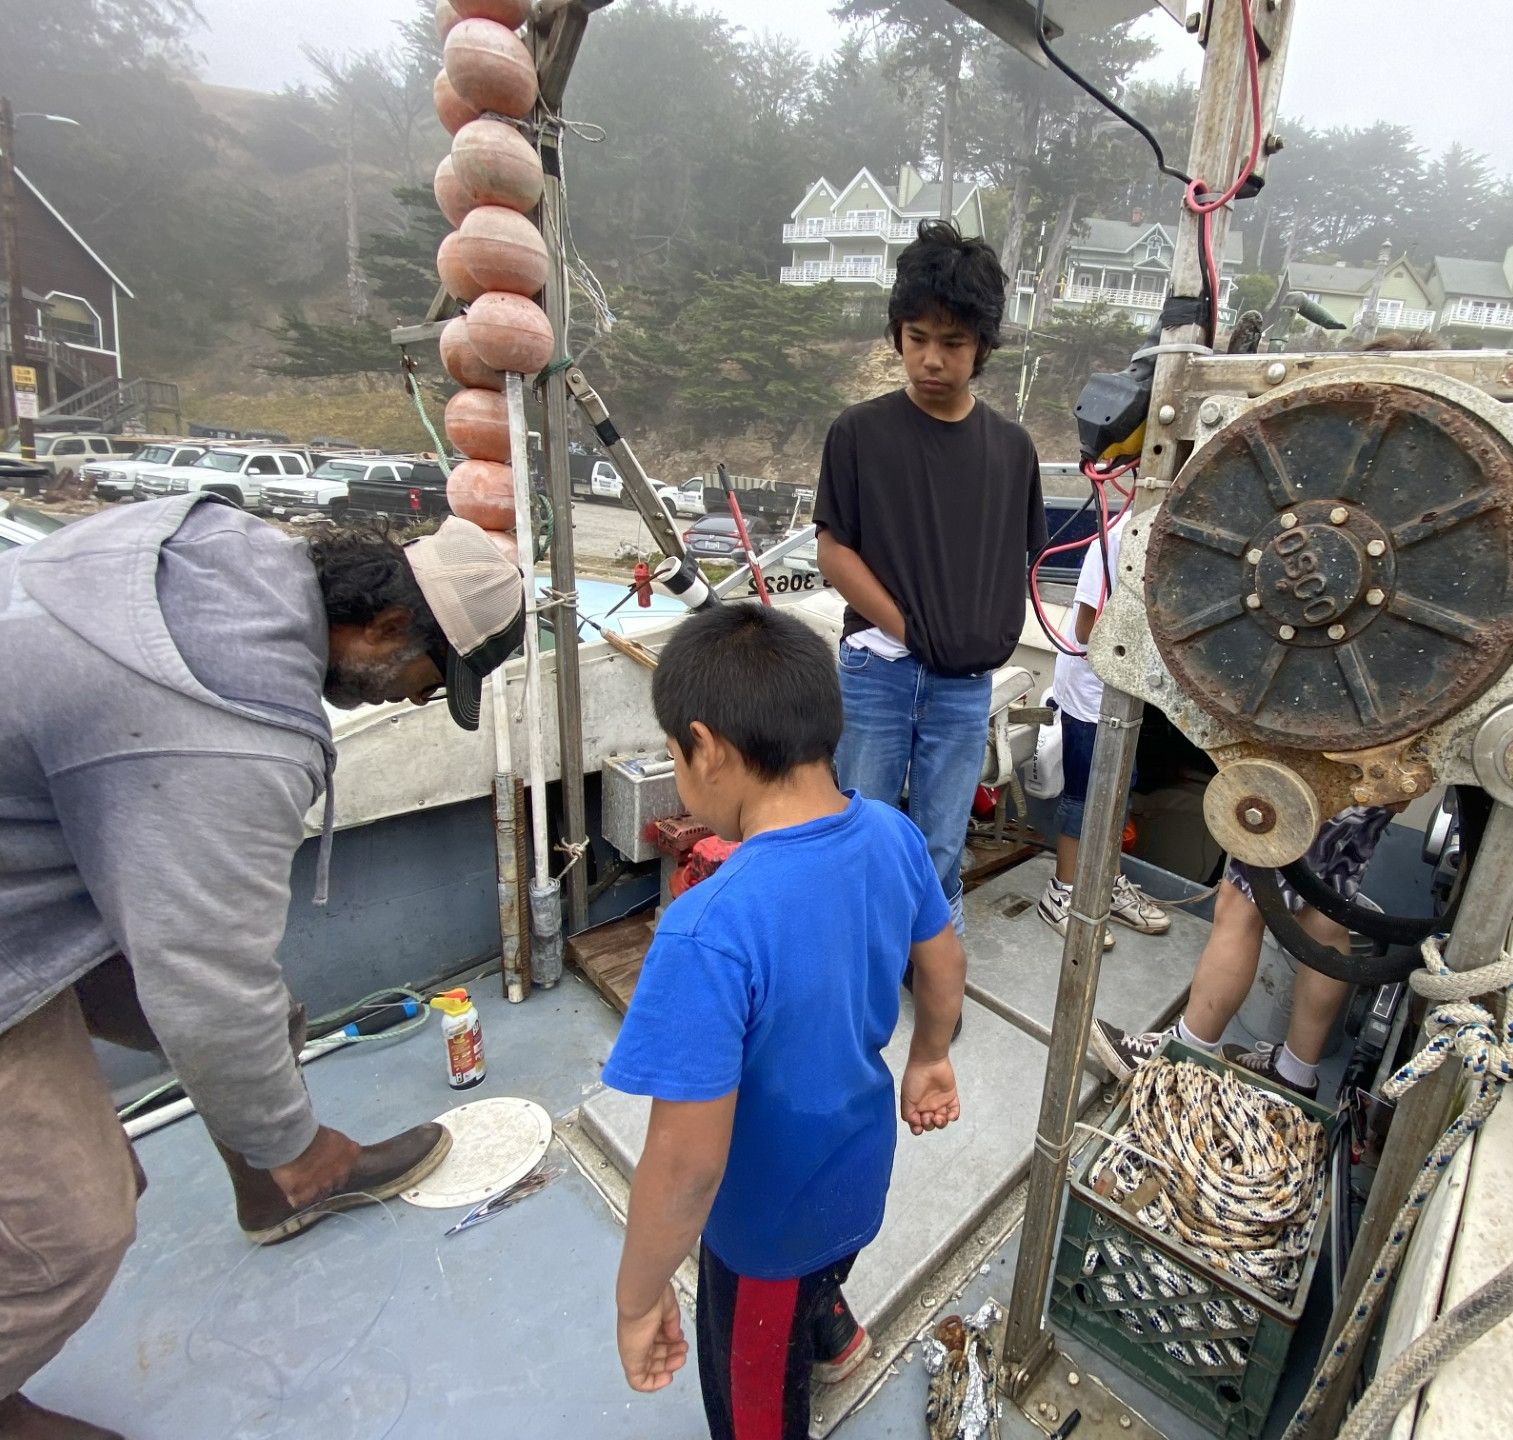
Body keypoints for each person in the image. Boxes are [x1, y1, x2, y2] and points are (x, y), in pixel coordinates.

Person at [0, 495, 526, 1440]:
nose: (410, 698)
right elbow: (203, 983)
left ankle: (267, 1194)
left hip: (36, 847)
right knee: (70, 1229)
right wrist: (294, 1138)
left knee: (262, 1024)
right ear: (386, 624)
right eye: (422, 677)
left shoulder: (223, 544)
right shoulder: (230, 726)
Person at [604, 604, 966, 1440]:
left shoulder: (709, 929)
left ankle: (812, 1333)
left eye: (674, 757)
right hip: (859, 1171)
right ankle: (832, 1333)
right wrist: (931, 1057)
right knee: (824, 1268)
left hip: (764, 1232)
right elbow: (943, 961)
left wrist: (637, 1297)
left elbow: (688, 1166)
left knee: (756, 1410)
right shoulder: (891, 831)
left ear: (710, 749)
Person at [815, 220, 1046, 935]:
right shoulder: (859, 433)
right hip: (879, 671)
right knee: (862, 833)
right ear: (897, 334)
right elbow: (834, 553)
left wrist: (977, 641)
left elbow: (1017, 559)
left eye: (951, 342)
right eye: (917, 338)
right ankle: (855, 967)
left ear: (981, 347)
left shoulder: (1011, 449)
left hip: (964, 686)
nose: (931, 359)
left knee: (942, 842)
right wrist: (911, 629)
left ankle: (934, 968)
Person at [1089, 806, 1398, 1099]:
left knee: (1242, 901)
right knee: (1325, 910)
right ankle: (1296, 1074)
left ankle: (1177, 1057)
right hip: (1375, 773)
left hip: (1320, 771)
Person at [1036, 507, 1169, 943]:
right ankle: (1062, 893)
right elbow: (1087, 627)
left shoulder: (1172, 535)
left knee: (1120, 790)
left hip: (1127, 692)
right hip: (1090, 694)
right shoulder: (1115, 537)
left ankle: (1107, 884)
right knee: (1084, 798)